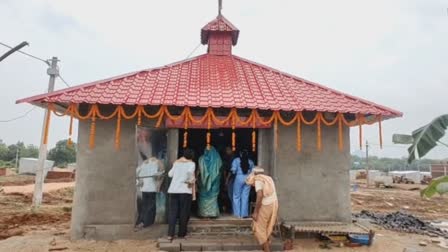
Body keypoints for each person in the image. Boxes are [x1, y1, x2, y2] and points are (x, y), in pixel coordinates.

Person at [246, 167, 278, 252]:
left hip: (266, 205)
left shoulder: (258, 180)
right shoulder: (268, 178)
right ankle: (265, 248)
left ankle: (267, 250)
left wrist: (255, 212)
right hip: (273, 204)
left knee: (259, 228)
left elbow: (259, 196)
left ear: (255, 174)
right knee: (266, 227)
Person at [167, 149, 195, 241]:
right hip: (185, 191)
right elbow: (190, 174)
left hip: (173, 190)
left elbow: (170, 174)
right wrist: (191, 180)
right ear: (191, 156)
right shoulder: (191, 164)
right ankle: (181, 234)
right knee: (184, 212)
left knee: (172, 213)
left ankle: (170, 234)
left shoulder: (177, 163)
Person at [135, 156, 164, 230]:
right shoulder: (158, 162)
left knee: (145, 205)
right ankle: (147, 222)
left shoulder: (144, 163)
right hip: (152, 187)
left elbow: (137, 171)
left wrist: (139, 181)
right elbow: (162, 173)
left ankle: (143, 221)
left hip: (144, 188)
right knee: (151, 205)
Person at [197, 146, 223, 218]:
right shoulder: (217, 158)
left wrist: (197, 178)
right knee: (213, 197)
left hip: (203, 181)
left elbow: (198, 170)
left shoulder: (201, 159)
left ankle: (203, 213)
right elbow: (220, 169)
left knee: (203, 197)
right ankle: (212, 213)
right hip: (215, 181)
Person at [231, 149, 254, 218]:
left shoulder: (236, 160)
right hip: (248, 178)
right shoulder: (250, 161)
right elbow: (253, 172)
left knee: (236, 196)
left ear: (240, 154)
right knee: (245, 196)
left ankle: (237, 214)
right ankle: (244, 214)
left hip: (238, 178)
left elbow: (233, 171)